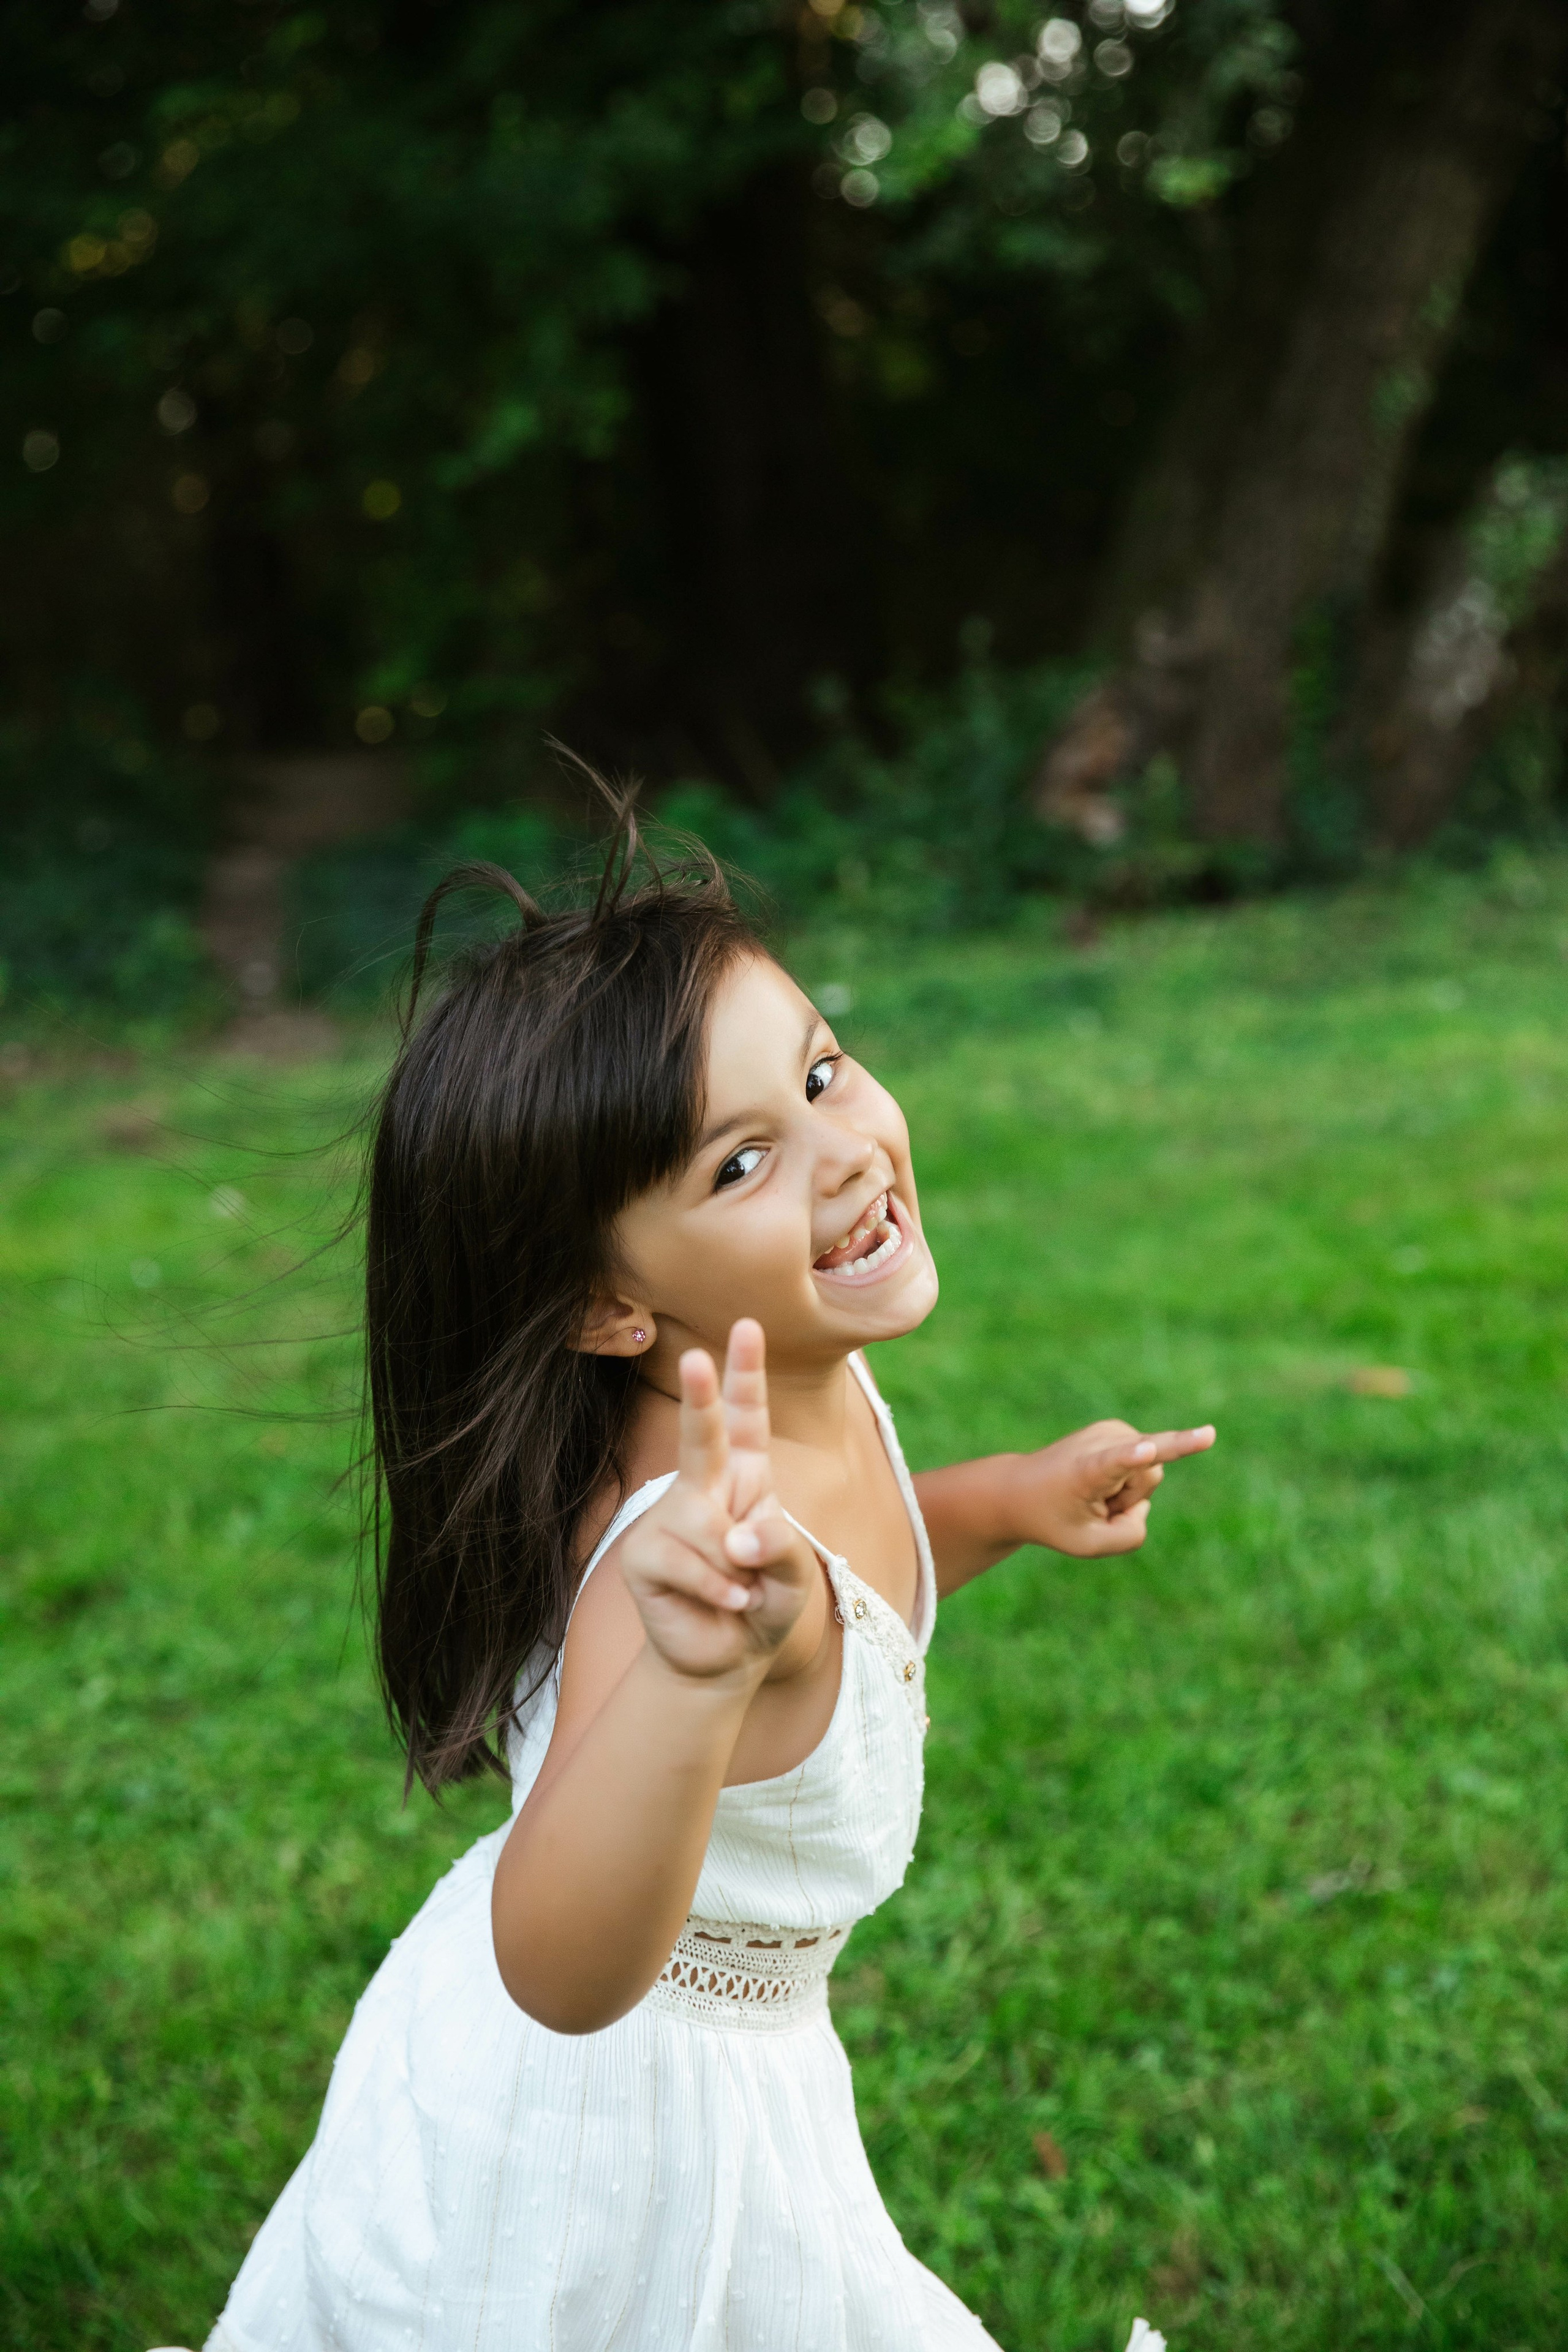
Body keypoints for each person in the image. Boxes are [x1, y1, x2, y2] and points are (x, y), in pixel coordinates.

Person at [200, 818, 1212, 2352]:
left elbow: (851, 1598)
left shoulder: (794, 1377)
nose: (843, 1149)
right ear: (609, 1305)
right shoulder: (680, 1576)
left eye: (821, 1074)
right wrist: (685, 1681)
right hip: (606, 2141)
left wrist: (1007, 1501)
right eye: (741, 1163)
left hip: (739, 2067)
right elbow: (556, 1961)